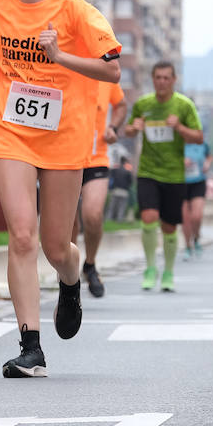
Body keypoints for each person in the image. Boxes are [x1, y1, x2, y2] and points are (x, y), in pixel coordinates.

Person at [0, 0, 121, 378]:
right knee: (21, 234)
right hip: (9, 130)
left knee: (56, 246)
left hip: (63, 135)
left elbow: (111, 72)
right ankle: (30, 346)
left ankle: (71, 278)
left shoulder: (73, 9)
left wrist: (62, 58)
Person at [124, 61, 203, 293]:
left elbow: (198, 137)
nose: (162, 82)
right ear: (152, 78)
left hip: (174, 175)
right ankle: (150, 268)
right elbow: (128, 130)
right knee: (148, 217)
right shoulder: (143, 104)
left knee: (169, 227)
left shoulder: (184, 106)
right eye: (158, 77)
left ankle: (168, 271)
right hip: (148, 171)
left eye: (166, 78)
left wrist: (179, 127)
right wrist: (134, 128)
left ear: (174, 80)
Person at [73, 79, 126, 297]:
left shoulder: (104, 73)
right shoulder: (65, 63)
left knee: (93, 215)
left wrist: (112, 127)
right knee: (68, 223)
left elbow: (121, 104)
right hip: (65, 156)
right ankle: (68, 275)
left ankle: (90, 265)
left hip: (96, 158)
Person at [181, 139, 212, 259]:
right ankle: (188, 246)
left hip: (198, 182)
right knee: (185, 218)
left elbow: (209, 156)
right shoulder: (175, 143)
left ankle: (197, 238)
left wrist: (207, 164)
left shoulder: (202, 143)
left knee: (196, 216)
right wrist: (180, 162)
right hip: (180, 183)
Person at [107, 156, 134, 222]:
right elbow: (131, 181)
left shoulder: (116, 168)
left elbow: (110, 176)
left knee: (112, 206)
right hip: (124, 191)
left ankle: (109, 218)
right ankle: (119, 219)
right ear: (125, 161)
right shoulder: (128, 170)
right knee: (122, 206)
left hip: (115, 190)